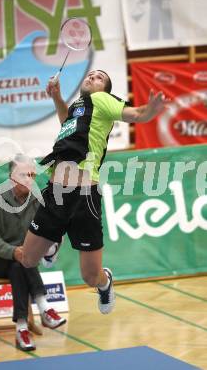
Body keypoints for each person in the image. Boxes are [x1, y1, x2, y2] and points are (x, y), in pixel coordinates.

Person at [22, 69, 168, 315]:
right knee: (27, 259)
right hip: (56, 193)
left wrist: (149, 111)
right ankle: (55, 239)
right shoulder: (79, 107)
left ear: (105, 90)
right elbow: (67, 121)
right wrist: (57, 98)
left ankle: (105, 282)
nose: (92, 77)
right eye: (90, 75)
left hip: (84, 197)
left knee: (90, 276)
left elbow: (137, 113)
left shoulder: (102, 101)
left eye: (99, 77)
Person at [0, 154, 66, 352]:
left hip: (22, 260)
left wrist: (49, 244)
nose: (29, 179)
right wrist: (13, 251)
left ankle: (21, 328)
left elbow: (46, 228)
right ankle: (44, 308)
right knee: (19, 262)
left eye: (32, 174)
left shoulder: (38, 198)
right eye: (23, 175)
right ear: (11, 178)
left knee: (19, 266)